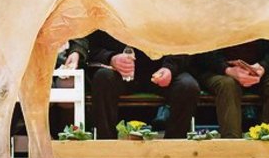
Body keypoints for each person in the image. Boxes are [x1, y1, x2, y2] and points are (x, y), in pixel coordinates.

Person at [71, 32, 199, 140]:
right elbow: (93, 46)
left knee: (188, 86)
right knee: (103, 77)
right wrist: (111, 58)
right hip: (121, 73)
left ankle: (174, 146)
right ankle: (107, 144)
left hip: (160, 70)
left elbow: (184, 44)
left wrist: (170, 68)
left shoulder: (165, 6)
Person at [192, 40, 269, 137]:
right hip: (218, 70)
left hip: (261, 70)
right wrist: (226, 68)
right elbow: (201, 49)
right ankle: (232, 143)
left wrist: (263, 66)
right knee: (228, 85)